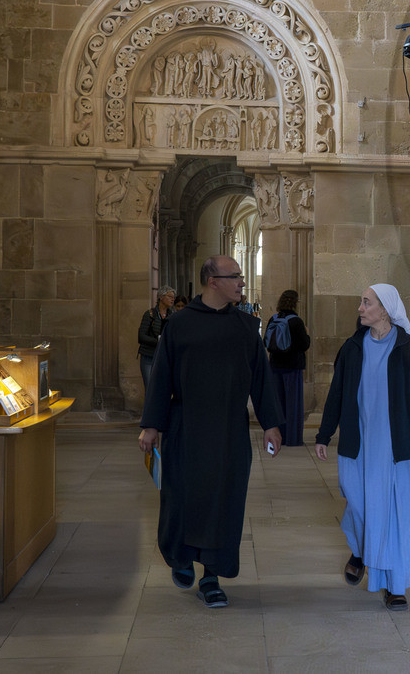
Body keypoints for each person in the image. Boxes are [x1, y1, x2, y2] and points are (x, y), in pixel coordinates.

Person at [138, 255, 282, 609]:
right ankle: (182, 557)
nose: (242, 283)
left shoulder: (248, 327)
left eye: (241, 276)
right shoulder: (180, 325)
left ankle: (212, 576)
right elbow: (161, 377)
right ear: (212, 281)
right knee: (182, 496)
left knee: (224, 501)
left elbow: (262, 380)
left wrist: (272, 424)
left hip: (229, 430)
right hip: (186, 426)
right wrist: (151, 425)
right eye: (235, 277)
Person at [314, 284, 410, 611]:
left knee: (396, 516)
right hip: (360, 446)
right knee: (359, 504)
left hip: (398, 445)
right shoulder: (353, 348)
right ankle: (360, 548)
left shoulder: (408, 347)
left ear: (384, 309)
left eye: (366, 303)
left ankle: (395, 586)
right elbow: (337, 394)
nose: (359, 308)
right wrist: (323, 434)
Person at [263, 290, 311, 446]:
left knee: (278, 404)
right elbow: (305, 344)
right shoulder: (296, 321)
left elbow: (266, 342)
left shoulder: (274, 318)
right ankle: (293, 438)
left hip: (275, 366)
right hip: (292, 367)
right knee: (293, 404)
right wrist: (307, 334)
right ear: (295, 303)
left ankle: (279, 436)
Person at [136, 286, 176, 392]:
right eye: (170, 296)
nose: (173, 299)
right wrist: (158, 341)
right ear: (161, 297)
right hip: (149, 356)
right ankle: (150, 408)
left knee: (163, 388)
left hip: (164, 358)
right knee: (150, 387)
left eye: (173, 297)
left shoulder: (173, 316)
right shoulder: (150, 314)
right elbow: (141, 336)